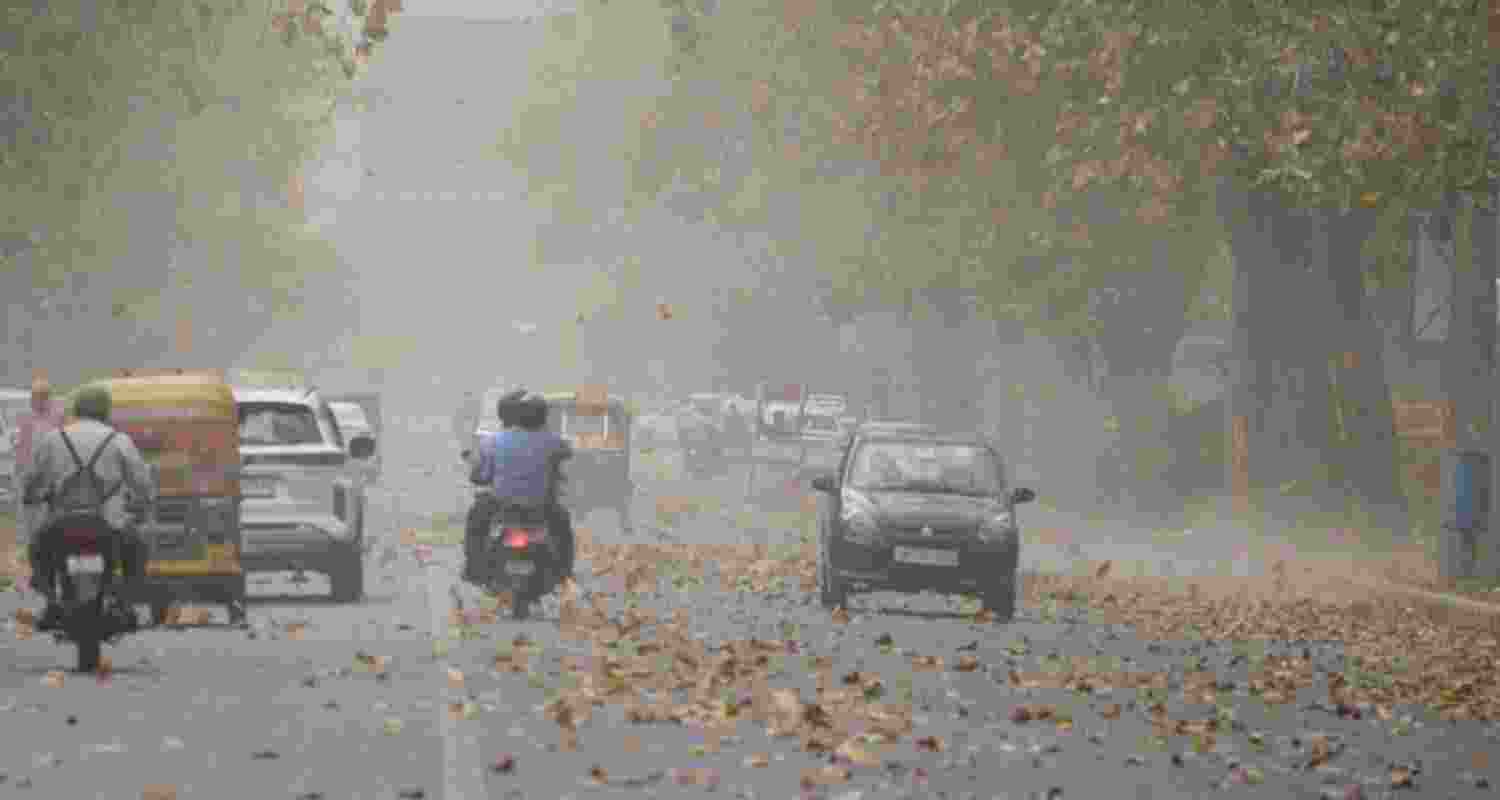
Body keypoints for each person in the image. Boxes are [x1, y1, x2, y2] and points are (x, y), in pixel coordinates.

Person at [22, 384, 154, 631]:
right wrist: (142, 505)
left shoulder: (54, 438)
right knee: (137, 551)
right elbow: (142, 483)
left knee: (38, 551)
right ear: (106, 410)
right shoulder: (119, 440)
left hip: (61, 527)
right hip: (108, 527)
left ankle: (52, 604)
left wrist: (31, 496)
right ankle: (124, 604)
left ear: (76, 409)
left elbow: (32, 480)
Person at [471, 392, 575, 581]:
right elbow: (567, 453)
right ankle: (565, 572)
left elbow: (482, 476)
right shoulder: (553, 441)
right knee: (562, 523)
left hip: (503, 506)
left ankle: (473, 568)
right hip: (541, 507)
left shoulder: (493, 441)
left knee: (476, 519)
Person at [14, 377, 64, 550]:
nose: (36, 400)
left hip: (51, 472)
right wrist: (22, 472)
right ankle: (29, 545)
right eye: (34, 396)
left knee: (49, 510)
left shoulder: (58, 417)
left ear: (47, 397)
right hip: (30, 471)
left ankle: (48, 544)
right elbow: (22, 446)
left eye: (41, 396)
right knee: (28, 512)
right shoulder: (26, 418)